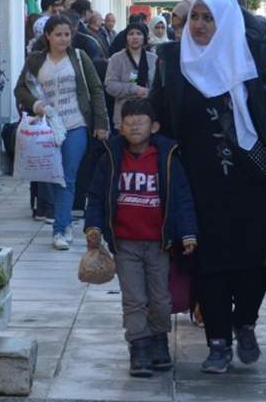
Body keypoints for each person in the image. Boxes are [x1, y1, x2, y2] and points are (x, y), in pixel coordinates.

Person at [149, 0, 266, 374]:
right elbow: (159, 118)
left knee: (255, 262)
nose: (200, 25)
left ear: (226, 22)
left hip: (253, 182)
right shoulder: (173, 62)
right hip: (199, 186)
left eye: (209, 18)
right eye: (195, 17)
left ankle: (246, 323)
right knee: (209, 265)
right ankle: (218, 342)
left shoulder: (251, 58)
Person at [85, 99, 198, 378]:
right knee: (134, 298)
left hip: (159, 244)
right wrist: (93, 226)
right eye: (129, 122)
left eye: (141, 121)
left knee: (160, 298)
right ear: (120, 128)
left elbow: (182, 197)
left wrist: (188, 232)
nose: (135, 126)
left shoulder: (167, 158)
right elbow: (96, 196)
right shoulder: (110, 158)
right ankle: (139, 347)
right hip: (125, 243)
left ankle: (159, 341)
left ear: (154, 127)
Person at [14, 16, 109, 249]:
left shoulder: (79, 57)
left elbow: (96, 89)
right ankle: (61, 222)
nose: (63, 39)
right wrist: (37, 105)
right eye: (58, 34)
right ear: (48, 35)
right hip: (46, 128)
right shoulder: (36, 60)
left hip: (75, 124)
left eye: (67, 34)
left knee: (67, 177)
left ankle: (60, 229)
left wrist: (101, 123)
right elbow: (20, 89)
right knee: (51, 177)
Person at [105, 22, 157, 129]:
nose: (135, 37)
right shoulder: (116, 59)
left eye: (139, 33)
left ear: (144, 37)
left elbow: (158, 86)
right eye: (131, 34)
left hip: (148, 113)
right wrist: (134, 89)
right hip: (124, 115)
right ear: (126, 37)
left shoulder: (153, 59)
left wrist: (149, 93)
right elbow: (109, 85)